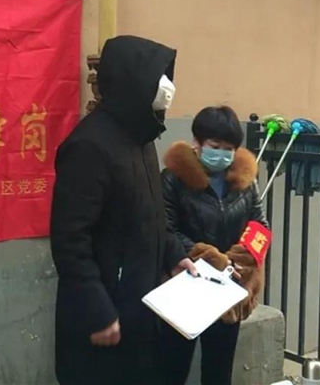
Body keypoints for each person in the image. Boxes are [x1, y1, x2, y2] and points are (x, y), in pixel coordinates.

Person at [50, 35, 196, 385]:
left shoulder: (141, 138)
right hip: (104, 319)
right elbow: (70, 240)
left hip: (141, 309)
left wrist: (173, 255)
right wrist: (96, 309)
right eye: (157, 76)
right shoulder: (89, 146)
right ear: (132, 80)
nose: (166, 87)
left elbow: (151, 214)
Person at [159, 105, 267, 385]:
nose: (222, 154)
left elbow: (259, 227)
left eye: (229, 148)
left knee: (219, 371)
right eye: (215, 146)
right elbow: (167, 230)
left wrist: (236, 263)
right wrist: (212, 259)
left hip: (229, 287)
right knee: (172, 369)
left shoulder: (245, 180)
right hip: (185, 285)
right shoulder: (173, 179)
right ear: (197, 143)